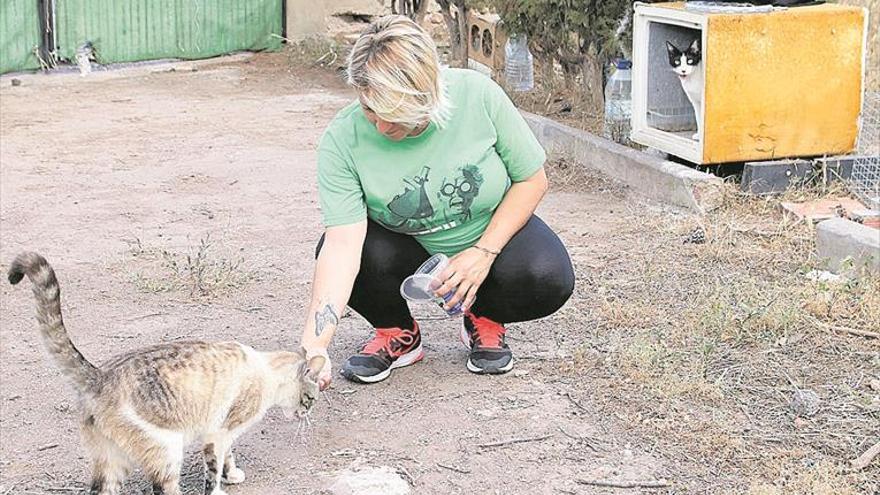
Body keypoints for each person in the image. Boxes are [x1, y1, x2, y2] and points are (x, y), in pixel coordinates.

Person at [300, 15, 574, 389]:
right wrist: (314, 347)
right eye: (369, 109)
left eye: (394, 114)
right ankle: (397, 332)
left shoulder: (478, 94)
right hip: (406, 248)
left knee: (548, 275)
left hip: (485, 233)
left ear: (428, 94)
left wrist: (483, 253)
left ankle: (484, 315)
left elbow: (532, 179)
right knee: (341, 251)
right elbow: (342, 245)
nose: (381, 127)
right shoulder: (342, 139)